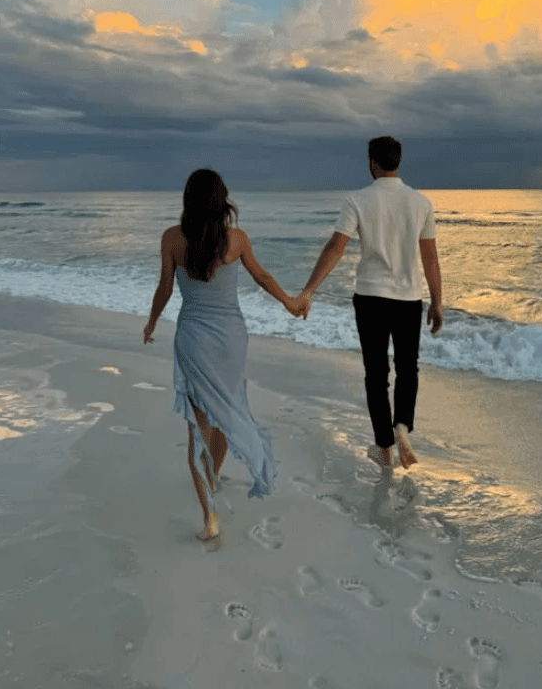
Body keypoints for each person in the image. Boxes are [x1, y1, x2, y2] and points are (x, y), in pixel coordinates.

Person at [142, 169, 309, 542]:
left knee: (198, 427)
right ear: (222, 201)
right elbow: (263, 277)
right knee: (224, 411)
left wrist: (151, 323)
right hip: (231, 341)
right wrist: (290, 302)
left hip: (193, 341)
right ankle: (214, 476)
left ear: (188, 200)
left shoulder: (172, 238)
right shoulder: (237, 239)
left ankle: (210, 518)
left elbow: (165, 288)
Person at [298, 137, 443, 470]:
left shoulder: (357, 200)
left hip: (370, 298)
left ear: (372, 162)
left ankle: (384, 447)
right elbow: (430, 257)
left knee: (376, 374)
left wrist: (309, 290)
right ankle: (402, 426)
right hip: (408, 298)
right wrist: (437, 301)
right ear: (398, 162)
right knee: (408, 368)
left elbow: (336, 247)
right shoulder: (421, 202)